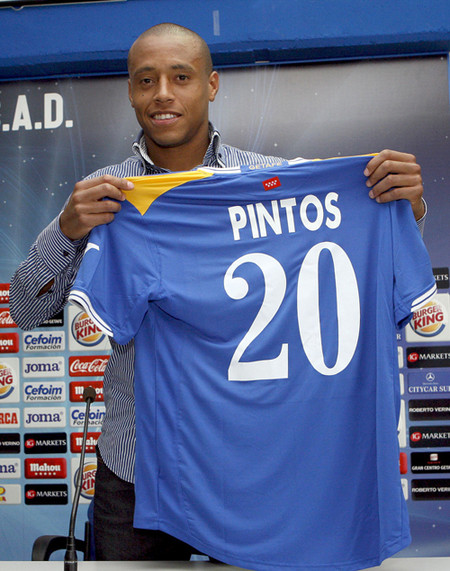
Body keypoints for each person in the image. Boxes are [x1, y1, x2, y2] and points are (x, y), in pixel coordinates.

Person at [10, 23, 427, 561]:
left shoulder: (276, 180)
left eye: (180, 77)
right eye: (146, 80)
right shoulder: (109, 196)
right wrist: (67, 231)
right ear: (131, 92)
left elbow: (375, 281)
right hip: (138, 467)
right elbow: (26, 309)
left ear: (211, 84)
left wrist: (403, 210)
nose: (162, 94)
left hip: (251, 464)